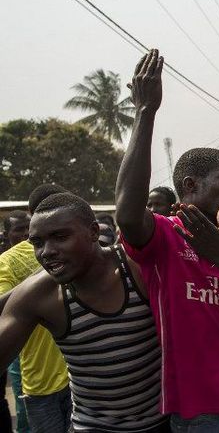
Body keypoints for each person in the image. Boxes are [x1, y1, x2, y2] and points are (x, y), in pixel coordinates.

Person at [116, 49, 219, 432]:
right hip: (195, 415)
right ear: (191, 186)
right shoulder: (164, 234)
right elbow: (127, 214)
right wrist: (145, 112)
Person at [0, 192, 169, 432]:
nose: (46, 251)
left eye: (60, 237)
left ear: (93, 232)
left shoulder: (136, 269)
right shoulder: (40, 294)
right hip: (92, 426)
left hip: (162, 423)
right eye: (37, 243)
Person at [0, 185, 71, 433]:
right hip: (49, 379)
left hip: (71, 376)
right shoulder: (10, 260)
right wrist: (44, 275)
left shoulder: (78, 250)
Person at [1, 210, 31, 432]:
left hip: (44, 344)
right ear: (6, 233)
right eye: (19, 229)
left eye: (28, 227)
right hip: (16, 344)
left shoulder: (40, 252)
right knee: (23, 405)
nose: (25, 233)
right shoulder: (4, 261)